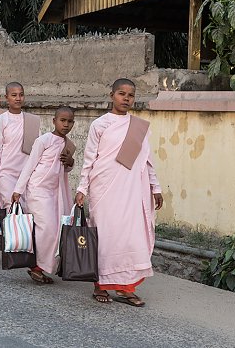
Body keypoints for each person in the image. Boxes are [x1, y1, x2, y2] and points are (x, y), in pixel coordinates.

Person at [75, 78, 164, 307]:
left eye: (131, 95)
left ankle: (126, 288)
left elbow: (147, 161)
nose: (126, 98)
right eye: (121, 93)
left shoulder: (139, 127)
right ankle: (100, 285)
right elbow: (89, 159)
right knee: (105, 236)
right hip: (104, 188)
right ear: (111, 95)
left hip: (132, 190)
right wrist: (82, 188)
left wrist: (156, 188)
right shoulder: (100, 125)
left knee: (129, 238)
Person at [12, 107, 76, 284]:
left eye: (70, 121)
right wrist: (18, 189)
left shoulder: (69, 145)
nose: (66, 124)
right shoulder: (43, 140)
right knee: (46, 228)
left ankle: (41, 267)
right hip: (38, 189)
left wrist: (70, 162)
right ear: (54, 121)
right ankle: (36, 266)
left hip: (56, 192)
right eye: (62, 120)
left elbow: (67, 168)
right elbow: (30, 165)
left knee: (55, 229)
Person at [0, 82, 40, 211]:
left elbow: (39, 146)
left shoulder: (32, 120)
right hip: (7, 172)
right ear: (6, 97)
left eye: (21, 95)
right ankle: (9, 231)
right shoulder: (1, 121)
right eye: (14, 95)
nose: (18, 98)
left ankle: (23, 232)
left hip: (27, 171)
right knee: (10, 206)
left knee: (26, 209)